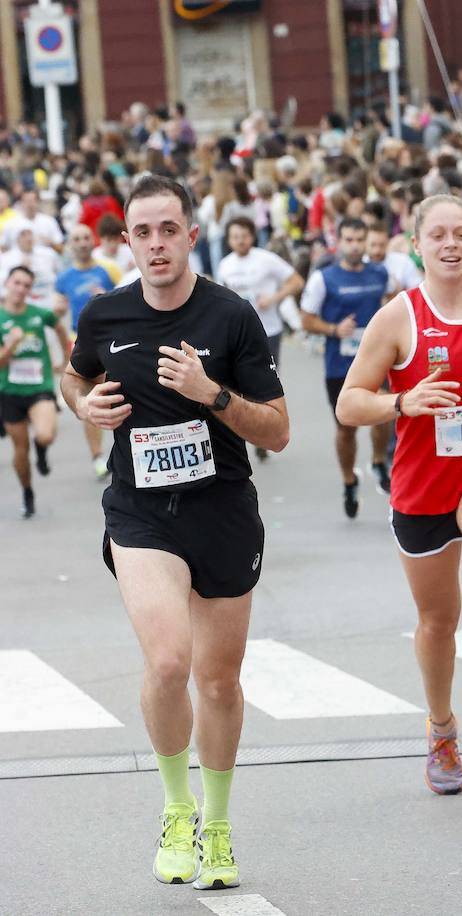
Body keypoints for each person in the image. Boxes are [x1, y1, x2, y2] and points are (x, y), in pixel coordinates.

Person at [60, 174, 289, 891]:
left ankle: (217, 825)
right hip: (139, 510)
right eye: (142, 232)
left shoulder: (231, 317)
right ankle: (176, 805)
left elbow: (278, 431)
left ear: (193, 234)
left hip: (221, 509)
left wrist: (211, 394)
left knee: (218, 681)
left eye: (169, 230)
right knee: (167, 662)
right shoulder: (104, 316)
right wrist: (84, 405)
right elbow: (75, 380)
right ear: (124, 241)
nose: (156, 244)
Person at [336, 193, 462, 792]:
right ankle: (442, 729)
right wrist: (402, 401)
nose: (451, 245)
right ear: (416, 244)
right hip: (421, 484)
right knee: (437, 620)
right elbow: (350, 403)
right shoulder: (398, 317)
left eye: (461, 234)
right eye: (438, 236)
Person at [299, 217, 392, 512]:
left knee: (385, 414)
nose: (354, 246)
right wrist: (334, 330)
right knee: (346, 429)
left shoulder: (380, 273)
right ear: (338, 242)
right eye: (349, 240)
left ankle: (378, 460)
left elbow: (391, 305)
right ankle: (349, 480)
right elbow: (306, 319)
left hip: (377, 362)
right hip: (340, 366)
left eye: (359, 240)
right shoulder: (324, 278)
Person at [1, 265, 68, 517]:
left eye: (26, 285)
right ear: (7, 283)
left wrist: (66, 359)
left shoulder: (39, 314)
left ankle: (42, 450)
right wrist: (11, 345)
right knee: (20, 450)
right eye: (17, 283)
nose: (21, 289)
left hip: (39, 387)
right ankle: (27, 491)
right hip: (9, 391)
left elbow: (60, 328)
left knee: (46, 435)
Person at [53, 224, 116, 478]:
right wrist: (58, 309)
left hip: (110, 339)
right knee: (91, 396)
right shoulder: (63, 278)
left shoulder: (107, 270)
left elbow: (126, 297)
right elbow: (58, 307)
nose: (81, 243)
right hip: (78, 339)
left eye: (85, 238)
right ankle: (97, 456)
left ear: (93, 241)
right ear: (70, 245)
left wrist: (107, 296)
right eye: (76, 239)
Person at [214, 217, 302, 373]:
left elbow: (297, 282)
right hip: (238, 333)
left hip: (268, 330)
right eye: (235, 237)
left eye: (244, 236)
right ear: (228, 240)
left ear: (252, 237)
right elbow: (220, 299)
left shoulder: (266, 259)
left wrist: (273, 298)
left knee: (269, 379)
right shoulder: (224, 265)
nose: (240, 241)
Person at [0, 222, 62, 311]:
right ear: (16, 238)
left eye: (30, 233)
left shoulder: (48, 254)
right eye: (23, 234)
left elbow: (60, 275)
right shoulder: (6, 258)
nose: (28, 238)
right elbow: (3, 286)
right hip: (23, 306)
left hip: (49, 301)